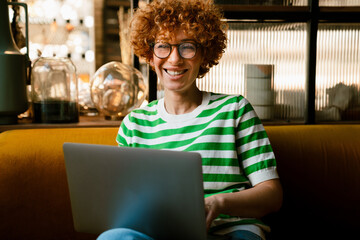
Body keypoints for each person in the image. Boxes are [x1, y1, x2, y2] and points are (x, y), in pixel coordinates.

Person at [98, 0, 283, 239]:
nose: (174, 59)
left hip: (230, 230)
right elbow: (123, 202)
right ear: (150, 54)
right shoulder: (134, 124)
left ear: (204, 53)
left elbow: (272, 195)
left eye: (187, 47)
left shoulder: (234, 110)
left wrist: (219, 203)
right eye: (163, 46)